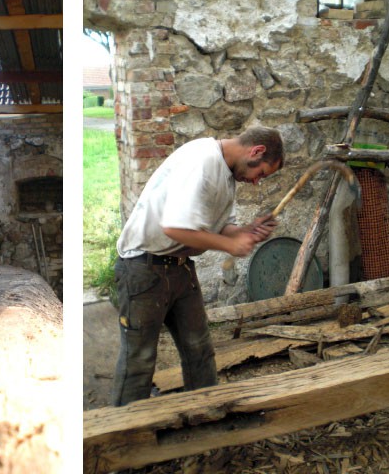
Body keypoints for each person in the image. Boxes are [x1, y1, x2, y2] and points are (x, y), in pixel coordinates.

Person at [112, 126, 284, 406]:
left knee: (199, 350)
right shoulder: (202, 162)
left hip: (179, 267)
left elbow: (217, 227)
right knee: (139, 360)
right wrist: (230, 245)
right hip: (143, 269)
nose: (256, 181)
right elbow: (175, 228)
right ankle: (121, 435)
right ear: (256, 151)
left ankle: (205, 413)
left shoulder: (226, 174)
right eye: (261, 173)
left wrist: (245, 231)